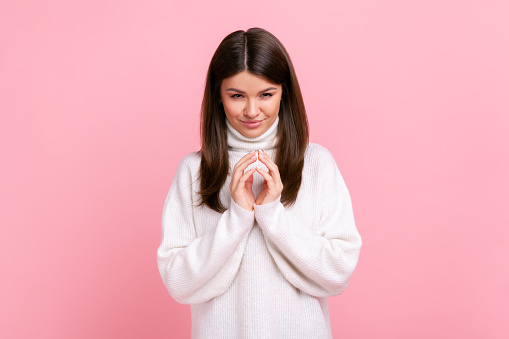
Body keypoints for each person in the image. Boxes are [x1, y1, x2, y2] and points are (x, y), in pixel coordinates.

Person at [157, 27, 362, 339]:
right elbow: (178, 282)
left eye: (266, 94)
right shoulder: (194, 172)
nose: (252, 111)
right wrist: (237, 217)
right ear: (218, 95)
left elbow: (338, 273)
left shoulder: (317, 164)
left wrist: (273, 217)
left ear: (284, 93)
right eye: (237, 95)